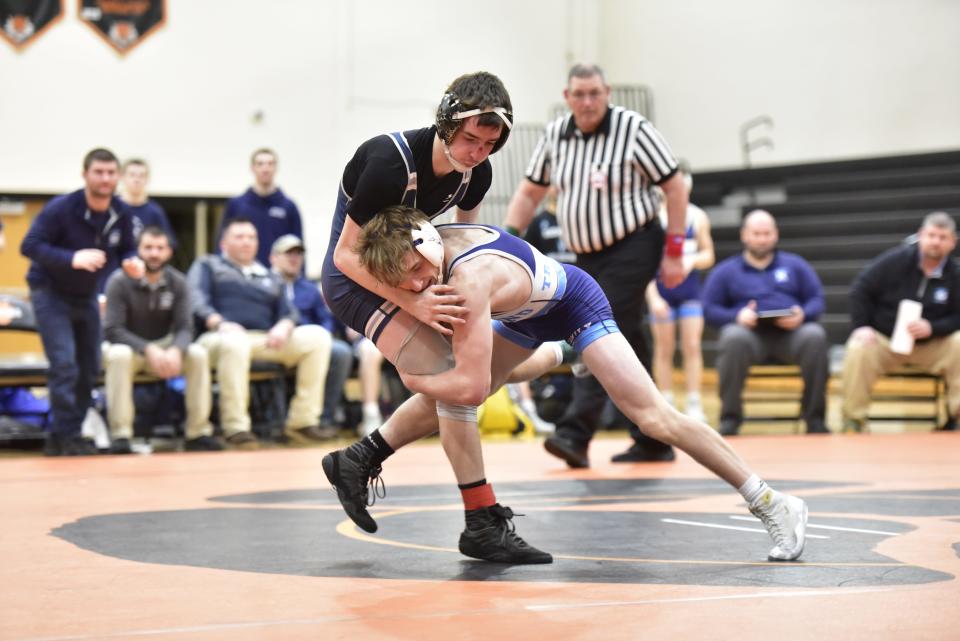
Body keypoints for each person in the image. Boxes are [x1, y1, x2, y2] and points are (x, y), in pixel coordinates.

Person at [350, 206, 809, 562]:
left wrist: (411, 376)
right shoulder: (429, 245)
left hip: (572, 304)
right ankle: (565, 355)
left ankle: (771, 501)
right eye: (404, 280)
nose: (417, 284)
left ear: (428, 243)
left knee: (652, 418)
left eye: (416, 270)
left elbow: (468, 390)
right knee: (482, 379)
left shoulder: (467, 278)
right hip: (525, 309)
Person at [320, 71, 563, 564]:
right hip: (356, 281)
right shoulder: (390, 161)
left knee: (474, 367)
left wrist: (468, 302)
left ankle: (360, 459)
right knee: (453, 374)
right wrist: (414, 304)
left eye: (489, 143)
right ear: (445, 123)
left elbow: (465, 247)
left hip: (417, 278)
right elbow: (346, 256)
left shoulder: (479, 174)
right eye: (470, 138)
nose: (476, 152)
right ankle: (480, 519)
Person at [504, 63, 688, 468]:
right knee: (629, 338)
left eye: (595, 93)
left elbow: (675, 186)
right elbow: (530, 190)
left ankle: (575, 433)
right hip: (588, 253)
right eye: (579, 94)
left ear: (608, 92)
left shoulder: (634, 129)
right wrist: (505, 238)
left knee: (592, 328)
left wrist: (675, 249)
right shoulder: (555, 135)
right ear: (567, 97)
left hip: (636, 244)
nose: (588, 102)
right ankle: (654, 435)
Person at [20, 147, 143, 456]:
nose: (105, 178)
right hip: (50, 293)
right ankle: (64, 435)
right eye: (98, 172)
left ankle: (67, 433)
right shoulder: (61, 208)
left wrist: (132, 262)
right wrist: (71, 258)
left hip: (87, 295)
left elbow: (127, 247)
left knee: (89, 368)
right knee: (64, 364)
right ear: (85, 174)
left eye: (110, 173)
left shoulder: (121, 211)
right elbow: (29, 245)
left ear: (117, 176)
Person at [187, 218, 331, 449]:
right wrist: (218, 322)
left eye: (251, 237)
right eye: (239, 237)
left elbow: (289, 312)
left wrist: (284, 325)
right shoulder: (209, 265)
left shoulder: (269, 276)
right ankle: (236, 427)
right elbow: (195, 299)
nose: (246, 242)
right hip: (218, 338)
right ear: (224, 243)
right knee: (235, 343)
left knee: (317, 338)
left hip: (263, 340)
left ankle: (302, 422)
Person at [702, 209, 830, 436]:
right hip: (749, 337)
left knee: (815, 335)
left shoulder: (795, 265)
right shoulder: (726, 271)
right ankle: (730, 418)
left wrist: (803, 314)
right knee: (732, 337)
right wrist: (736, 316)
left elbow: (817, 299)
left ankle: (815, 419)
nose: (762, 239)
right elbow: (709, 308)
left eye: (766, 233)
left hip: (791, 336)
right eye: (756, 233)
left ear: (776, 234)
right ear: (744, 235)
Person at [103, 226, 221, 453]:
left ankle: (198, 432)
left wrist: (176, 350)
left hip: (166, 348)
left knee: (197, 354)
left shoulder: (178, 282)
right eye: (148, 248)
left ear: (169, 252)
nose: (154, 253)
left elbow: (185, 327)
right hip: (130, 348)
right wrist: (148, 349)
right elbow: (112, 329)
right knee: (118, 355)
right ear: (138, 250)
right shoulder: (119, 281)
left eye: (160, 248)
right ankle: (121, 436)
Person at [842, 212, 960, 433]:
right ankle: (853, 420)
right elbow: (859, 290)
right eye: (931, 235)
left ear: (953, 242)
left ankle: (958, 416)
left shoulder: (955, 274)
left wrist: (933, 328)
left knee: (959, 343)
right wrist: (862, 326)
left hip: (932, 345)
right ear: (920, 235)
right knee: (858, 348)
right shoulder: (894, 261)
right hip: (886, 341)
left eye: (943, 237)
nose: (936, 241)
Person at [645, 167, 715, 422]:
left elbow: (709, 255)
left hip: (689, 290)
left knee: (692, 346)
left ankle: (694, 401)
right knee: (663, 348)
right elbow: (645, 264)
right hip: (661, 289)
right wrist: (653, 298)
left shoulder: (697, 216)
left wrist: (691, 261)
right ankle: (665, 399)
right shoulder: (652, 217)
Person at [269, 233, 345, 438]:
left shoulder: (310, 289)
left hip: (313, 338)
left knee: (341, 352)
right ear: (273, 258)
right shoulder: (264, 283)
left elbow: (325, 319)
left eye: (298, 255)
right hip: (276, 338)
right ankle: (272, 418)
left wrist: (326, 334)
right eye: (288, 254)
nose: (294, 259)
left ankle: (325, 417)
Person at [218, 148, 303, 267]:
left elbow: (298, 247)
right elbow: (222, 243)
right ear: (252, 168)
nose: (265, 168)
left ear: (276, 168)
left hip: (278, 277)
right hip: (242, 274)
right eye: (260, 164)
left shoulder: (288, 207)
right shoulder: (237, 205)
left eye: (270, 164)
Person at [119, 158, 177, 248]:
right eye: (132, 175)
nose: (136, 179)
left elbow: (169, 244)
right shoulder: (112, 207)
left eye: (141, 176)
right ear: (122, 177)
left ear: (147, 179)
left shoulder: (155, 212)